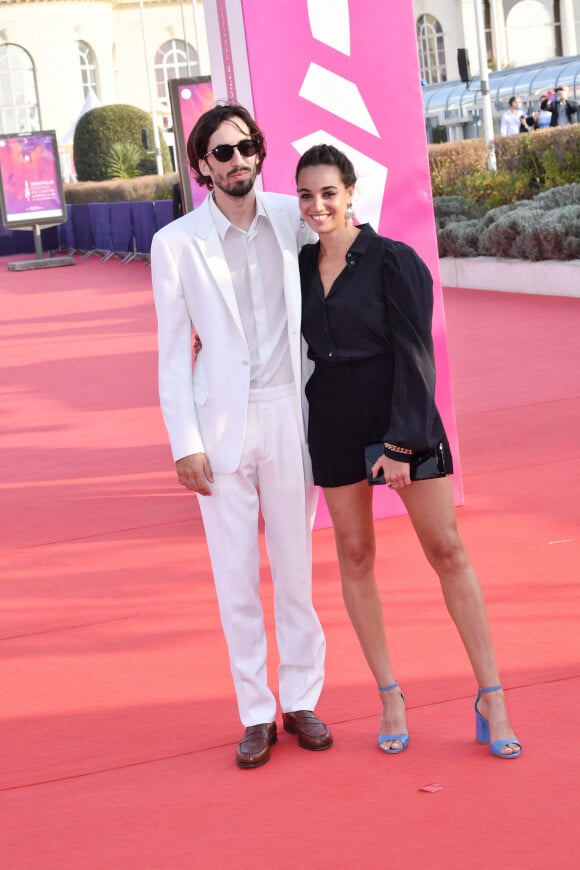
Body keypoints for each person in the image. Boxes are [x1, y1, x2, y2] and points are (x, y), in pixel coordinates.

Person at [295, 143, 521, 759]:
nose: (318, 206)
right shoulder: (296, 269)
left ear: (350, 193)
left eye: (328, 193)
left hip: (404, 414)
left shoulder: (394, 261)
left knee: (446, 549)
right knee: (355, 552)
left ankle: (491, 694)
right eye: (306, 195)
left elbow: (418, 356)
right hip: (334, 420)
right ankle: (389, 693)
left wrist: (399, 444)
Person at [150, 103, 332, 769]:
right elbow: (173, 354)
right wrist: (183, 441)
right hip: (221, 422)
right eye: (222, 152)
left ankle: (303, 699)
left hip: (293, 413)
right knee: (235, 579)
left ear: (260, 152)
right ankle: (256, 713)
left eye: (247, 147)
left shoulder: (293, 217)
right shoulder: (175, 245)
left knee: (294, 572)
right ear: (201, 166)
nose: (238, 161)